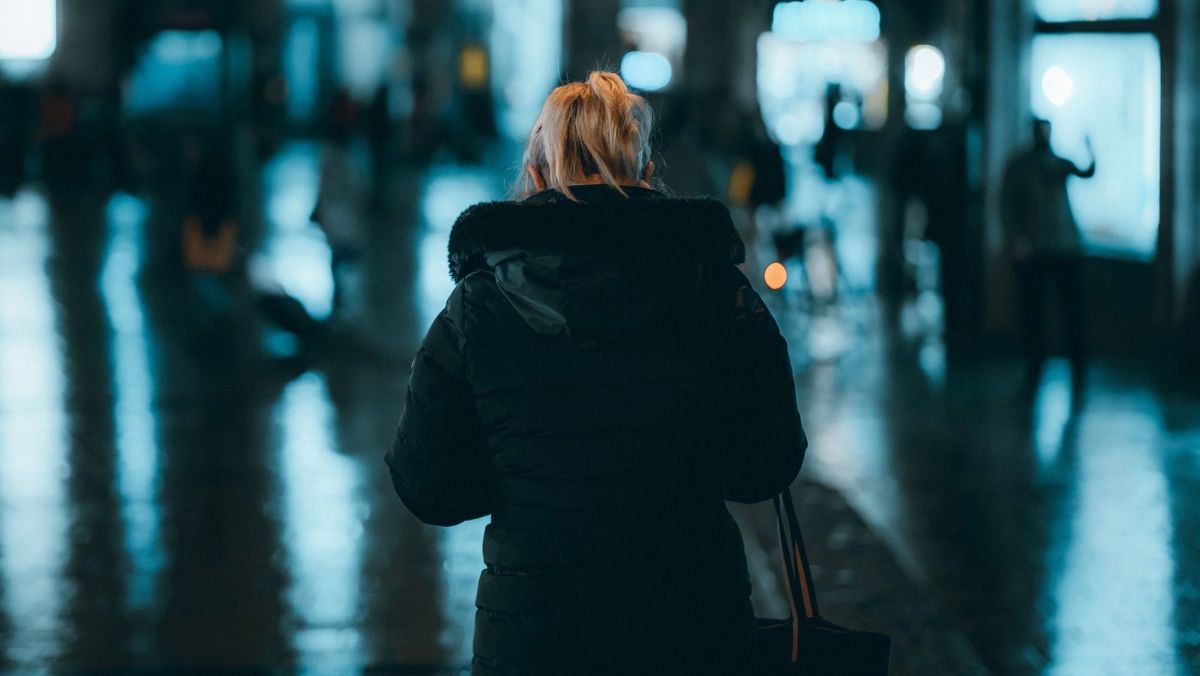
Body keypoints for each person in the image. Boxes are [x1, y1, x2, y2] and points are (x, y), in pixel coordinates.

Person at [385, 71, 807, 676]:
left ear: (534, 177)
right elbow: (769, 462)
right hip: (693, 630)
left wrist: (526, 476)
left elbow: (427, 485)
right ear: (642, 174)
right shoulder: (717, 291)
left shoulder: (477, 308)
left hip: (535, 637)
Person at [1001, 118, 1095, 392]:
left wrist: (1090, 148)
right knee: (1033, 312)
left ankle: (1077, 364)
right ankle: (1034, 365)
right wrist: (1017, 240)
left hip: (1065, 248)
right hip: (1035, 250)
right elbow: (1007, 206)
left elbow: (1086, 172)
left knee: (1073, 310)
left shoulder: (1057, 163)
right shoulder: (1020, 166)